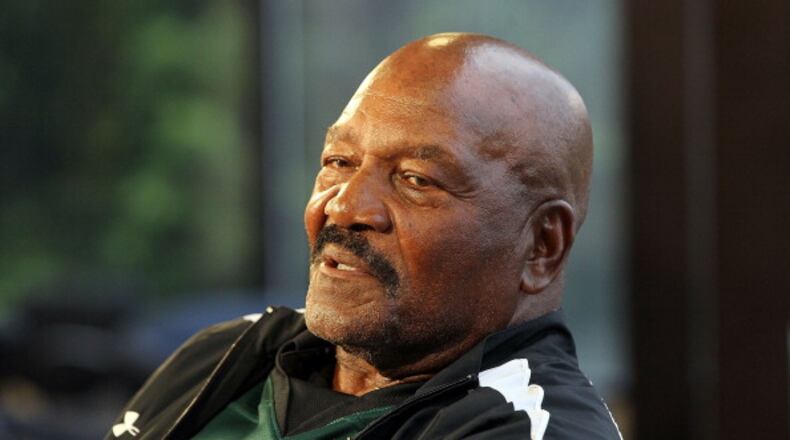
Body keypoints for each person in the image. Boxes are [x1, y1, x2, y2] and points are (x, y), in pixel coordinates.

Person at [106, 33, 622, 440]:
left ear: (541, 246)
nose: (345, 205)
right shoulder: (227, 353)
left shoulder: (529, 427)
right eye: (338, 162)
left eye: (416, 179)